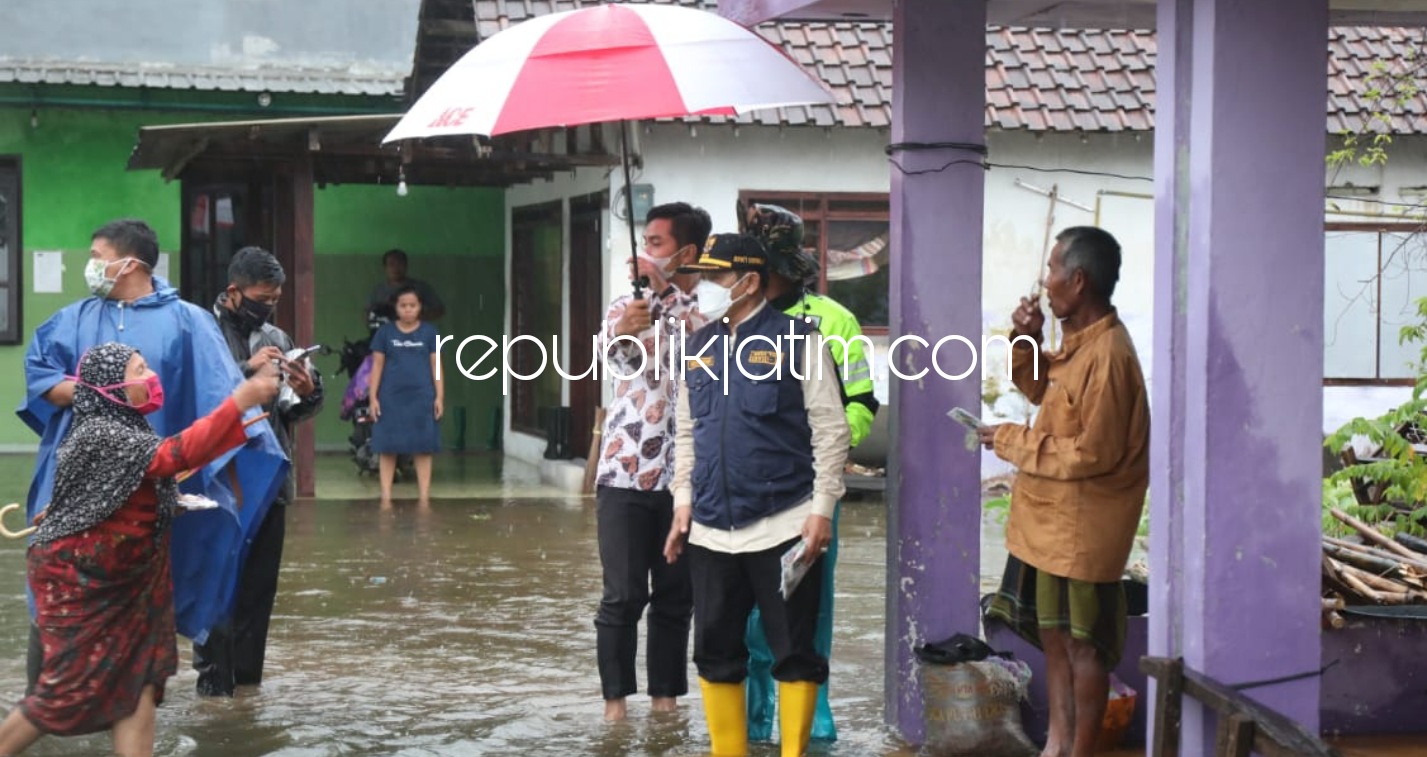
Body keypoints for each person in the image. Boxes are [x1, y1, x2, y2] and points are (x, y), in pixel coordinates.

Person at [15, 219, 288, 695]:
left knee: (197, 572)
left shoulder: (189, 322)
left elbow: (221, 409)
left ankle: (212, 697)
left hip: (167, 491)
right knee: (58, 598)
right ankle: (47, 696)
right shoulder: (72, 320)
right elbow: (43, 380)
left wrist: (234, 501)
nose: (92, 266)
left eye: (98, 257)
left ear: (130, 263)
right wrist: (102, 391)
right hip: (81, 493)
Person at [0, 343, 281, 757]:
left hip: (130, 582)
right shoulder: (101, 432)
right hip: (80, 583)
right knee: (66, 694)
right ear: (112, 387)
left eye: (147, 366)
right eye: (140, 369)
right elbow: (175, 455)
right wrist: (240, 399)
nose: (150, 376)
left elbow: (126, 488)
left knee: (141, 682)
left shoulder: (129, 430)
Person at [663, 233, 851, 757]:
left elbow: (831, 430)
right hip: (709, 530)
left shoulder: (801, 340)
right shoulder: (696, 348)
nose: (704, 288)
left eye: (716, 278)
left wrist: (821, 511)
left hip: (784, 525)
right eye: (702, 277)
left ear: (748, 282)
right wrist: (682, 503)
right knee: (716, 653)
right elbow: (686, 433)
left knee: (794, 652)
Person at [978, 226, 1149, 757]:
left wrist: (1008, 439)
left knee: (1084, 648)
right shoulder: (1080, 345)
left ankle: (1079, 751)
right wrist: (1025, 337)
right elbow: (1038, 387)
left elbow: (1089, 454)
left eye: (1052, 270)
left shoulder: (1111, 356)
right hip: (1049, 525)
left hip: (1085, 529)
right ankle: (1055, 745)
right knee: (1053, 641)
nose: (1045, 282)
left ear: (1078, 280)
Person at [737, 202, 878, 743]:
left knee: (809, 604)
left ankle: (812, 718)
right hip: (745, 493)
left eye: (758, 268)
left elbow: (863, 401)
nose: (747, 279)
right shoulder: (731, 325)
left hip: (811, 493)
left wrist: (830, 446)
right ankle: (752, 715)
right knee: (745, 607)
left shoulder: (834, 321)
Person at [593, 202, 710, 722]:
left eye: (657, 243)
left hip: (683, 479)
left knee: (674, 598)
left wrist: (664, 294)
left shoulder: (710, 314)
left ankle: (665, 704)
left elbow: (701, 357)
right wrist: (623, 327)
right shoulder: (626, 305)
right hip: (623, 472)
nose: (645, 252)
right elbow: (614, 361)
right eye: (645, 241)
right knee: (621, 596)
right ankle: (615, 708)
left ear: (688, 253)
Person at [193, 247, 325, 697]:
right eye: (262, 297)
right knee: (217, 589)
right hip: (217, 485)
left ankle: (246, 692)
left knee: (258, 593)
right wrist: (245, 372)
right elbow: (194, 398)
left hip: (268, 485)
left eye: (276, 298)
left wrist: (307, 388)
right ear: (234, 292)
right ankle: (213, 686)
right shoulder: (201, 333)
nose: (269, 306)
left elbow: (297, 409)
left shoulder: (278, 337)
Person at [368, 285, 443, 506]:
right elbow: (377, 366)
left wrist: (439, 397)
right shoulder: (385, 333)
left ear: (420, 307)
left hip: (422, 397)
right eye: (403, 306)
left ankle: (424, 497)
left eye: (413, 305)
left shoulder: (430, 333)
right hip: (390, 397)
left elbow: (436, 366)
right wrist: (373, 397)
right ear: (396, 307)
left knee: (423, 447)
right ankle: (386, 496)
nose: (408, 310)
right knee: (387, 447)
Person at [366, 248, 445, 323]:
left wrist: (416, 317)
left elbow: (439, 310)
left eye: (400, 263)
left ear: (406, 265)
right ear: (385, 267)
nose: (396, 268)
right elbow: (367, 313)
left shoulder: (420, 287)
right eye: (391, 264)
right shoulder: (379, 290)